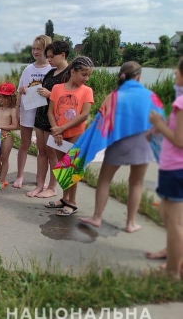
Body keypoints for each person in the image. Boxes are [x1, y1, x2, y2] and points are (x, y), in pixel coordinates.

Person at [75, 62, 159, 232]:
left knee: (104, 180)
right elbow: (160, 123)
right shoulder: (150, 95)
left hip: (118, 143)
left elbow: (99, 124)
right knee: (136, 183)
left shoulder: (113, 96)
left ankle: (97, 217)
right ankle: (130, 223)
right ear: (139, 77)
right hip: (142, 144)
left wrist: (85, 145)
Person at [145, 63, 183, 272]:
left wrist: (159, 125)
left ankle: (171, 272)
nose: (175, 73)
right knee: (168, 216)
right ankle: (173, 254)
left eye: (179, 71)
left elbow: (179, 140)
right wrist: (158, 128)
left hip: (176, 168)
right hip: (174, 168)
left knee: (174, 220)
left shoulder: (181, 102)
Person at [45, 56, 94, 216]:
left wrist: (62, 128)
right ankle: (65, 198)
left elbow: (84, 115)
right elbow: (51, 111)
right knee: (62, 166)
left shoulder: (87, 91)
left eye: (89, 75)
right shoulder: (58, 88)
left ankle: (72, 202)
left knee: (71, 167)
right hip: (58, 133)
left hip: (75, 134)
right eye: (84, 74)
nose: (86, 78)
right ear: (73, 71)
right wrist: (55, 129)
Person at [27, 40, 71, 198]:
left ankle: (52, 187)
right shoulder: (50, 73)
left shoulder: (70, 74)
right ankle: (40, 185)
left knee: (53, 153)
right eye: (48, 57)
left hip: (55, 121)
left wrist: (50, 94)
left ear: (63, 55)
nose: (49, 60)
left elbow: (70, 99)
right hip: (41, 116)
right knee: (42, 152)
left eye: (52, 57)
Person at [13, 35, 52, 189]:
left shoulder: (52, 69)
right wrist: (17, 108)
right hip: (27, 109)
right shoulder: (28, 69)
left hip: (44, 113)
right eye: (33, 48)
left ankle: (40, 177)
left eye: (39, 49)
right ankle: (20, 175)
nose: (35, 52)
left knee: (43, 149)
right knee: (25, 143)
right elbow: (19, 91)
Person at [0, 83, 18, 190]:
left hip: (6, 136)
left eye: (4, 97)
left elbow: (15, 125)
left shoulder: (12, 110)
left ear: (10, 98)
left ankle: (1, 180)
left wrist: (1, 126)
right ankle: (3, 178)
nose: (1, 99)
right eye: (0, 96)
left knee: (4, 159)